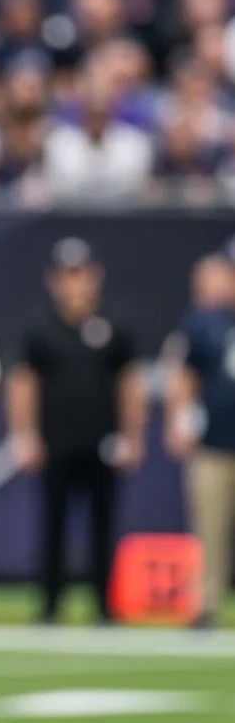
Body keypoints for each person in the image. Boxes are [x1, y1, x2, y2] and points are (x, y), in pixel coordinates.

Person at [6, 237, 146, 625]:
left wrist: (133, 436)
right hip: (55, 443)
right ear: (53, 280)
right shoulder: (40, 328)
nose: (76, 284)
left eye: (81, 274)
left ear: (95, 276)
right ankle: (50, 603)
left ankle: (104, 603)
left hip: (104, 442)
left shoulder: (115, 325)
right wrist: (24, 434)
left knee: (104, 524)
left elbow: (130, 383)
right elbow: (23, 382)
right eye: (68, 275)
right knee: (53, 524)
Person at [164, 252, 235, 628]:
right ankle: (206, 606)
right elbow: (187, 376)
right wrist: (178, 421)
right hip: (214, 443)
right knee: (209, 529)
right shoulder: (206, 322)